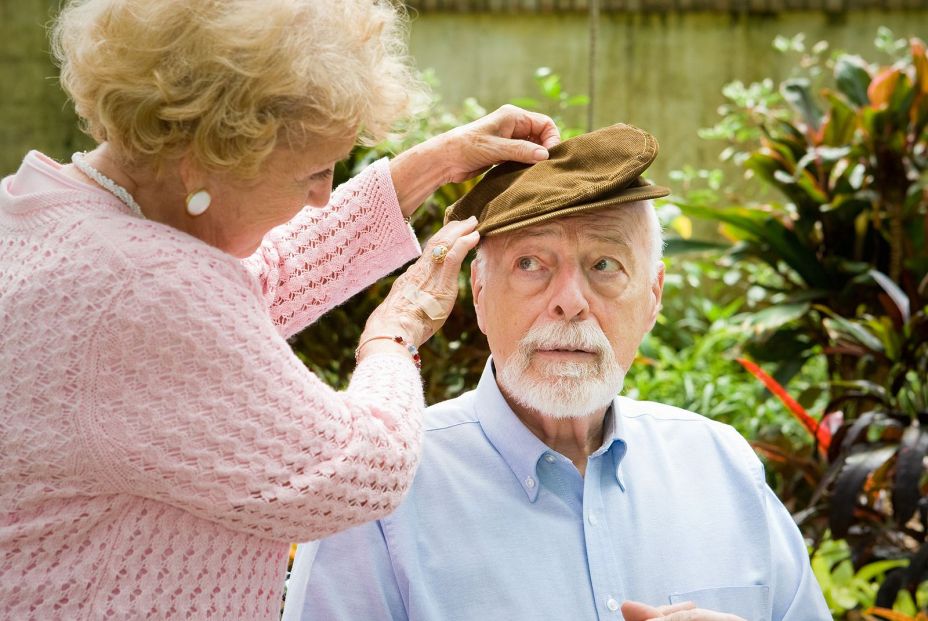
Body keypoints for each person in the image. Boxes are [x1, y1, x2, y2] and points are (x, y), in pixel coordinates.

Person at [0, 0, 560, 619]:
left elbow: (257, 282)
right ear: (215, 154)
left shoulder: (46, 213)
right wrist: (395, 335)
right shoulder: (149, 287)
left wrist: (437, 163)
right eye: (313, 173)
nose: (322, 196)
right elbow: (361, 470)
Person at [290, 124, 831, 621]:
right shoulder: (378, 501)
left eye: (604, 265)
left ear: (653, 296)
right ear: (477, 294)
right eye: (531, 264)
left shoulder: (724, 467)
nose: (570, 302)